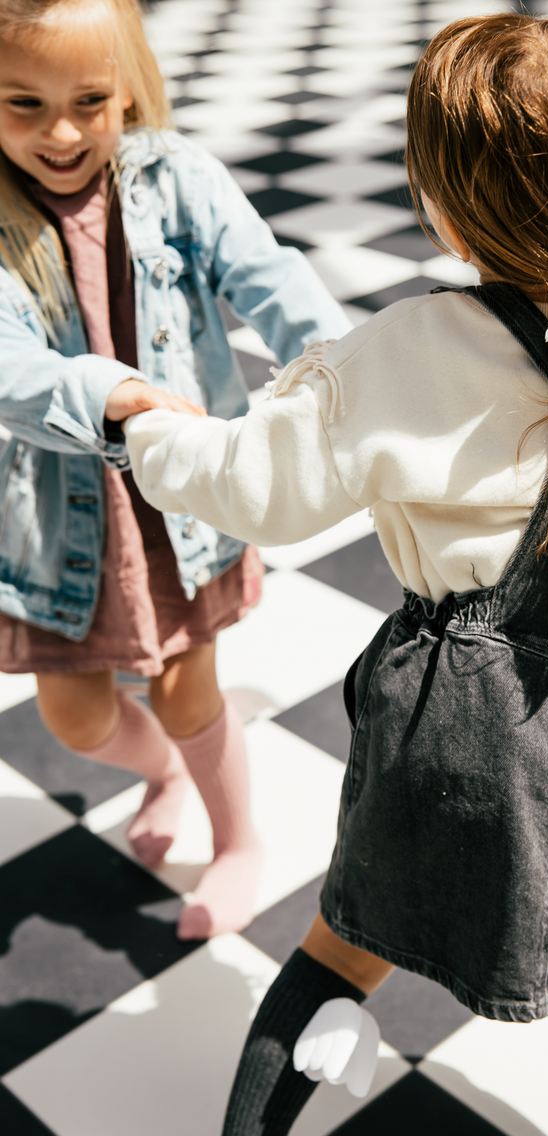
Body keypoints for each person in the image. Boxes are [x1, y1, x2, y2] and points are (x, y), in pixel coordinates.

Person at [125, 14, 548, 1136]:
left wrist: (140, 434)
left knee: (347, 935)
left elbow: (259, 489)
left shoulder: (405, 348)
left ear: (447, 207)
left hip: (458, 721)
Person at [0, 0, 350, 940]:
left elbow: (271, 279)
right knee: (74, 718)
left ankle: (238, 840)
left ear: (129, 86)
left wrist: (346, 372)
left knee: (189, 687)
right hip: (55, 521)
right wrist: (110, 393)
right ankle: (160, 772)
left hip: (180, 501)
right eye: (22, 103)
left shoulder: (177, 176)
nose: (62, 131)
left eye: (89, 100)